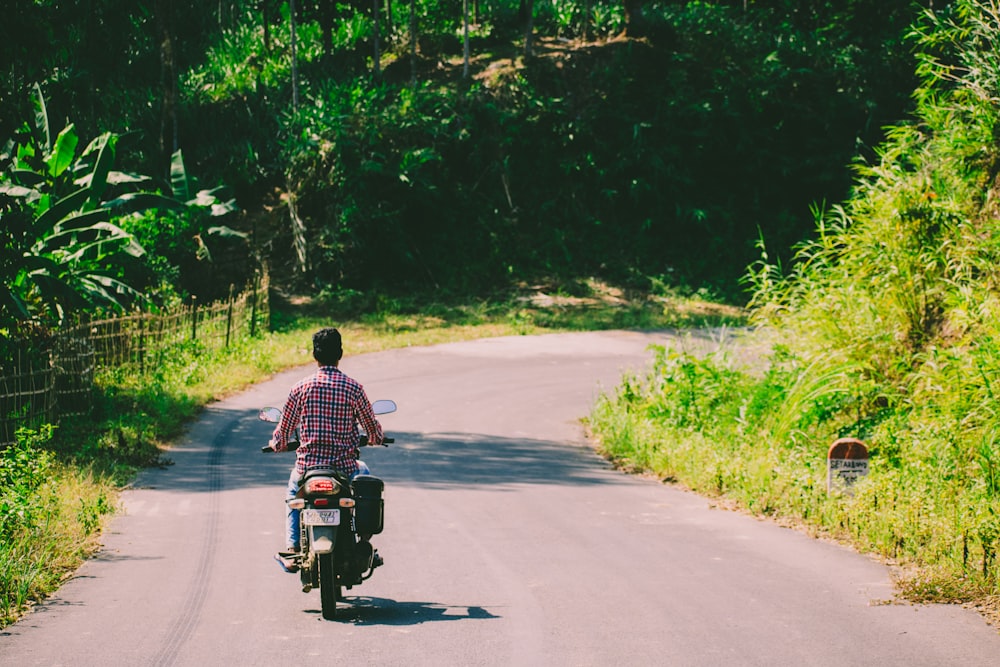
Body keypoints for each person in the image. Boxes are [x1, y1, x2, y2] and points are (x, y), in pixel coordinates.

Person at [269, 327, 384, 571]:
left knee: (293, 494)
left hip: (308, 468)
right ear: (340, 353)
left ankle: (292, 548)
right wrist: (374, 437)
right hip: (344, 468)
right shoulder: (353, 388)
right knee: (364, 477)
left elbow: (284, 431)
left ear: (314, 355)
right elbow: (371, 428)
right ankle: (363, 540)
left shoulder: (300, 388)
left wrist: (277, 444)